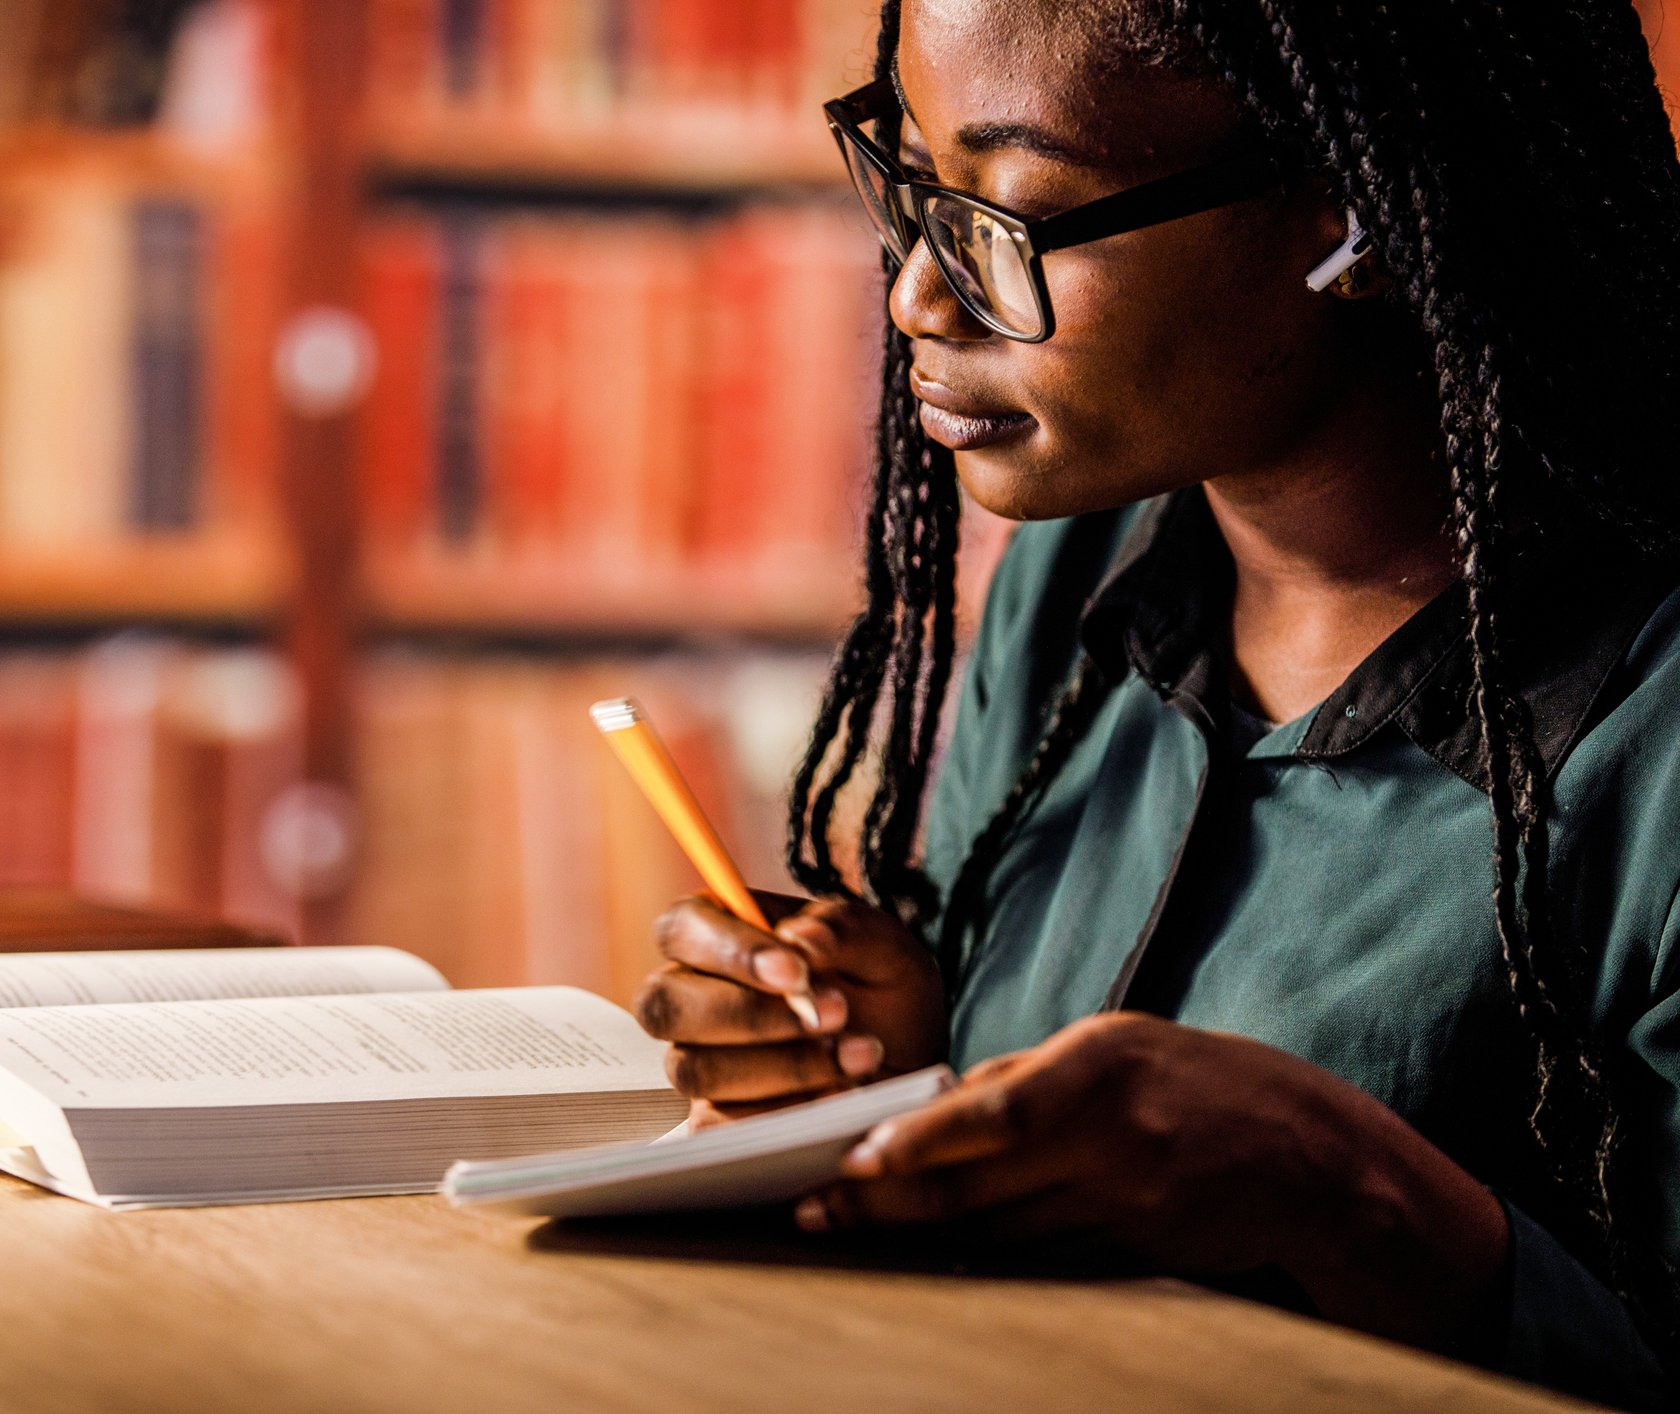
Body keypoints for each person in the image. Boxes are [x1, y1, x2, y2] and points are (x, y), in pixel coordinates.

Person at [628, 0, 1680, 1407]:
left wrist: (1347, 1191)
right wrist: (901, 1043)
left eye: (1014, 214)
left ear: (1348, 218)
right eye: (912, 179)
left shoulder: (1649, 728)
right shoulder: (1073, 575)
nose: (916, 300)